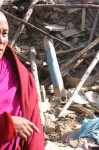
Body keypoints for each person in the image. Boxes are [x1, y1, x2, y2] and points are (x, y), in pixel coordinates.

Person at [0, 11, 44, 149]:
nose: (1, 40)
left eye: (4, 34)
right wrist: (6, 126)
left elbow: (33, 130)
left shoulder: (20, 75)